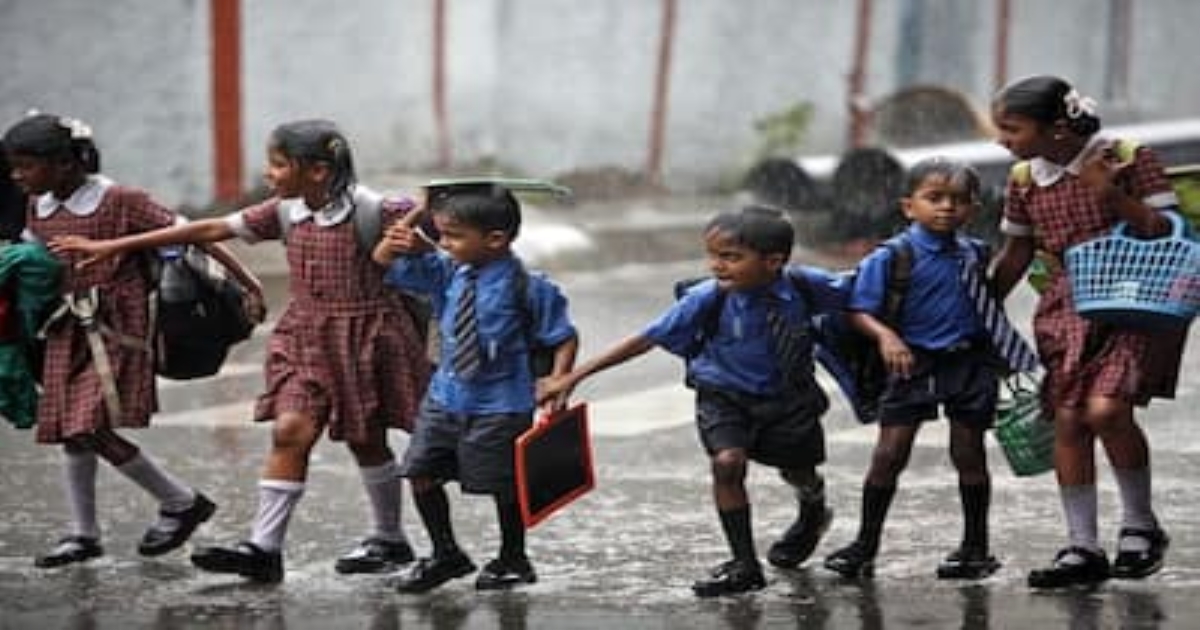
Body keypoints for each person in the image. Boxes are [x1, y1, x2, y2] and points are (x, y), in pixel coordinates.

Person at [49, 119, 431, 582]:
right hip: (305, 338)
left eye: (278, 164)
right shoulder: (285, 211)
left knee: (366, 439)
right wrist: (115, 245)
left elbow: (445, 252)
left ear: (317, 171)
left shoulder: (377, 211)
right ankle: (263, 549)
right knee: (290, 430)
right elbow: (213, 228)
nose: (268, 173)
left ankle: (389, 538)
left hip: (365, 339)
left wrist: (418, 243)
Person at [539, 205, 841, 597]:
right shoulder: (707, 298)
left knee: (799, 471)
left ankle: (813, 509)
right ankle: (744, 564)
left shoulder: (806, 286)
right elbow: (646, 338)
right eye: (713, 255)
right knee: (727, 463)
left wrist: (886, 338)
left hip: (789, 399)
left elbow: (863, 299)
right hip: (723, 396)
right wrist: (574, 376)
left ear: (773, 261)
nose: (717, 266)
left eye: (731, 257)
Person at [3, 112, 263, 568]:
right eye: (14, 167)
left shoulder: (119, 200)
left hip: (117, 329)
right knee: (71, 431)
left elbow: (194, 234)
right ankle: (83, 534)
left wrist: (247, 283)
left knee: (84, 426)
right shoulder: (37, 206)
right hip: (65, 329)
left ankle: (180, 501)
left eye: (26, 166)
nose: (17, 176)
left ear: (64, 163)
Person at [990, 75, 1182, 588]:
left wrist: (1108, 192)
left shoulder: (1128, 158)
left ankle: (1141, 526)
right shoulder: (1025, 179)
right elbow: (1016, 253)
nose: (1001, 140)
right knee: (1071, 420)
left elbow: (1167, 231)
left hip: (1136, 301)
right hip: (1066, 309)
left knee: (1107, 410)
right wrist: (979, 309)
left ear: (1056, 128)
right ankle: (1082, 546)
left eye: (1012, 128)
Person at [374, 181, 578, 592]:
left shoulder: (531, 287)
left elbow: (563, 337)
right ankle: (446, 554)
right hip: (445, 397)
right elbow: (382, 258)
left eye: (453, 235)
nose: (443, 243)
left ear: (495, 239)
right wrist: (417, 213)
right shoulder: (448, 271)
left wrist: (558, 380)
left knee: (504, 485)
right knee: (420, 472)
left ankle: (513, 558)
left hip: (501, 403)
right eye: (441, 234)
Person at [822, 157, 1016, 581]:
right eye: (935, 198)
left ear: (974, 208)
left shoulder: (974, 252)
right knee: (890, 453)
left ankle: (975, 546)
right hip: (913, 362)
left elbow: (986, 303)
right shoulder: (893, 256)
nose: (947, 207)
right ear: (909, 207)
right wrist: (886, 337)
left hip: (967, 362)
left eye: (959, 200)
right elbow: (857, 309)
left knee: (969, 453)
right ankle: (864, 545)